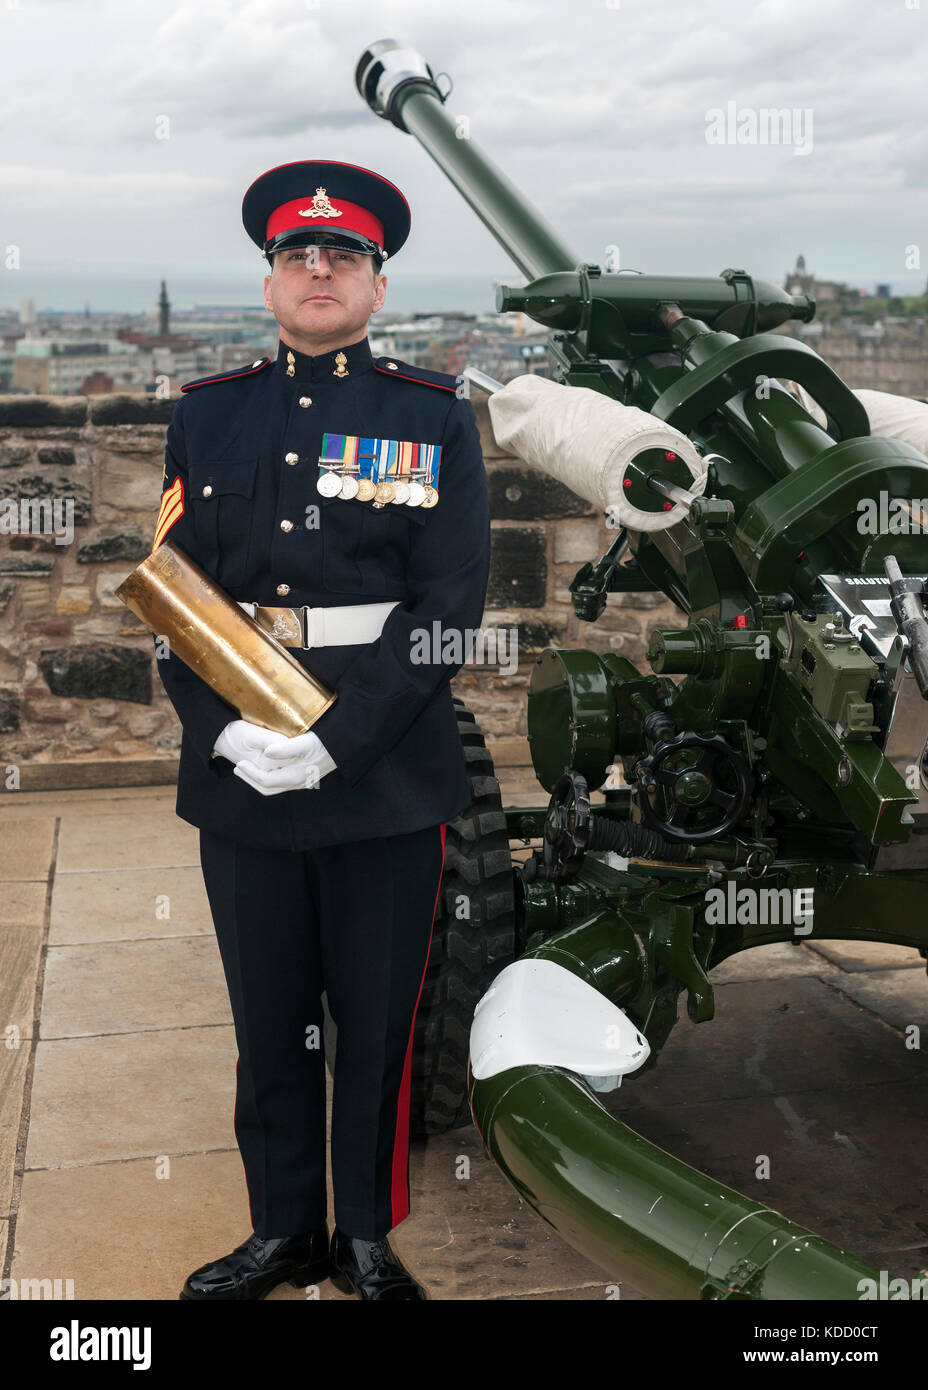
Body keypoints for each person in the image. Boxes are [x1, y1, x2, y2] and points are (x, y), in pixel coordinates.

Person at [151, 159, 492, 1300]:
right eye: (297, 255)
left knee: (377, 1016)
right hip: (244, 764)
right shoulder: (206, 416)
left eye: (343, 256)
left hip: (386, 769)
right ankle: (282, 1230)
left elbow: (450, 615)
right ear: (268, 282)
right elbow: (172, 600)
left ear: (376, 289)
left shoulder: (429, 416)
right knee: (271, 1012)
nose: (317, 270)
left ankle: (361, 1235)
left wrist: (339, 742)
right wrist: (222, 733)